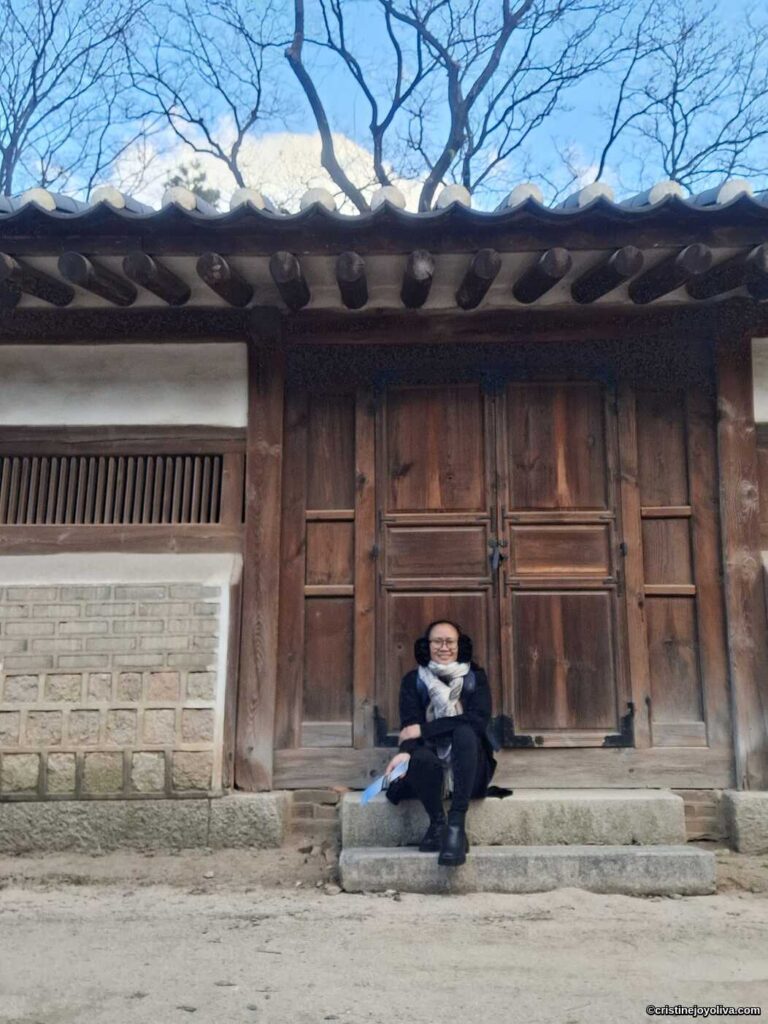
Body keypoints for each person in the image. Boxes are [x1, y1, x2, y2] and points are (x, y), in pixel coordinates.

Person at [383, 619, 497, 867]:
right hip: (430, 762)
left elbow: (476, 721)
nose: (444, 647)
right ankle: (438, 823)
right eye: (437, 641)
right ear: (427, 645)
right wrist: (405, 752)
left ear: (459, 645)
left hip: (469, 765)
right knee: (420, 758)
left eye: (450, 641)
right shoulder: (413, 680)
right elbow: (409, 726)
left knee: (465, 733)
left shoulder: (475, 677)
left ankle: (456, 823)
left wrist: (424, 729)